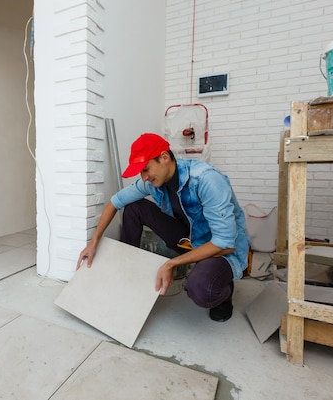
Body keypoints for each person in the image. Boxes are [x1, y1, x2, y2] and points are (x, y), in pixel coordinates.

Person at [77, 133, 250, 322]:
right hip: (189, 238)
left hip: (220, 248)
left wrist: (171, 263)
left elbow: (225, 242)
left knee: (201, 290)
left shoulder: (207, 180)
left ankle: (223, 293)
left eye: (146, 169)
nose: (144, 178)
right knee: (134, 207)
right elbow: (115, 202)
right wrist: (94, 242)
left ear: (164, 158)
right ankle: (128, 270)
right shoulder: (154, 183)